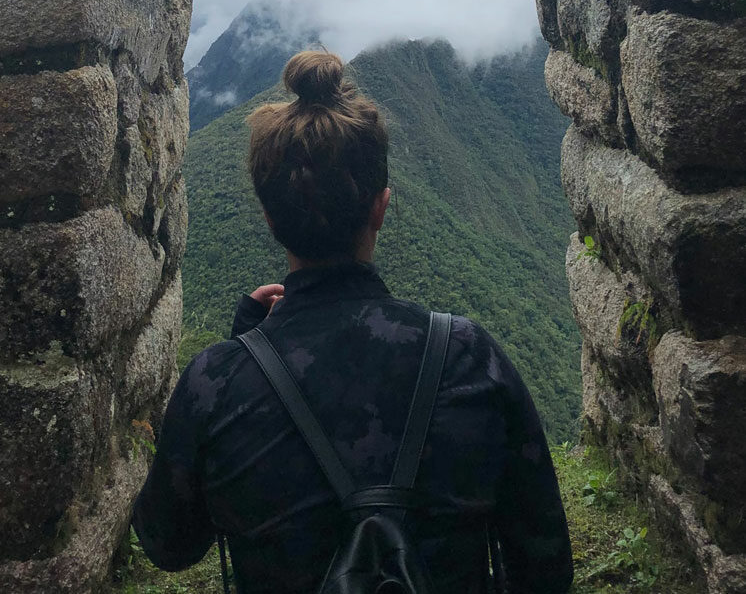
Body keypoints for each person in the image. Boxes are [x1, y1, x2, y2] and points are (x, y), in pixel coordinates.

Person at [132, 50, 573, 593]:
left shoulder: (215, 384)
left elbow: (167, 543)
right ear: (381, 208)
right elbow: (545, 560)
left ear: (269, 220)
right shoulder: (469, 357)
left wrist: (244, 352)